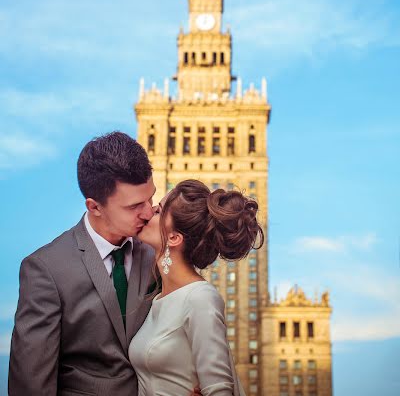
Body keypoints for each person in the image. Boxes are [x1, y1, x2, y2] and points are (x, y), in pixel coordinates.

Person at [9, 131, 157, 396]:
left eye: (150, 198)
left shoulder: (159, 251)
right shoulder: (46, 270)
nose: (148, 212)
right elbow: (31, 383)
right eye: (134, 205)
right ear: (95, 206)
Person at [129, 179, 264, 396]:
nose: (150, 210)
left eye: (159, 211)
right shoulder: (157, 299)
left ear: (173, 237)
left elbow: (220, 390)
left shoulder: (200, 298)